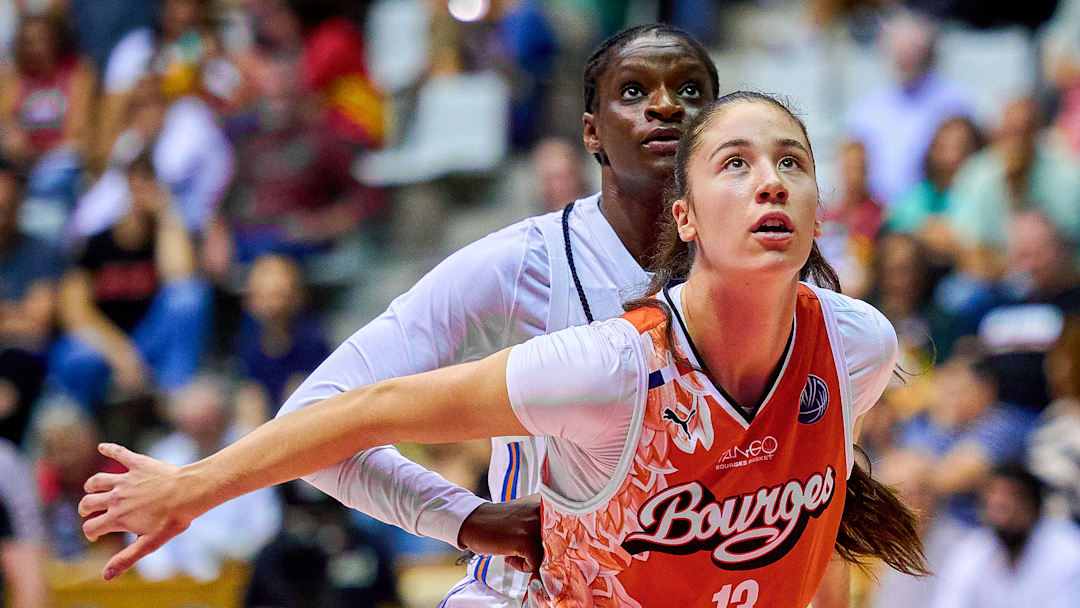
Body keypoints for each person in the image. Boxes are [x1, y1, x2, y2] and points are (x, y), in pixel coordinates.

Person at [80, 91, 926, 606]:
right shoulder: (612, 367)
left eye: (792, 163)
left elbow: (817, 539)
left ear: (819, 210)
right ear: (686, 217)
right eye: (736, 164)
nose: (771, 180)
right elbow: (368, 409)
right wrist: (193, 487)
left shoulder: (856, 346)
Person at [930, 463, 1080, 608]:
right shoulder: (972, 550)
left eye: (1010, 500)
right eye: (994, 501)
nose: (1001, 506)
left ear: (1034, 506)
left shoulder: (1068, 551)